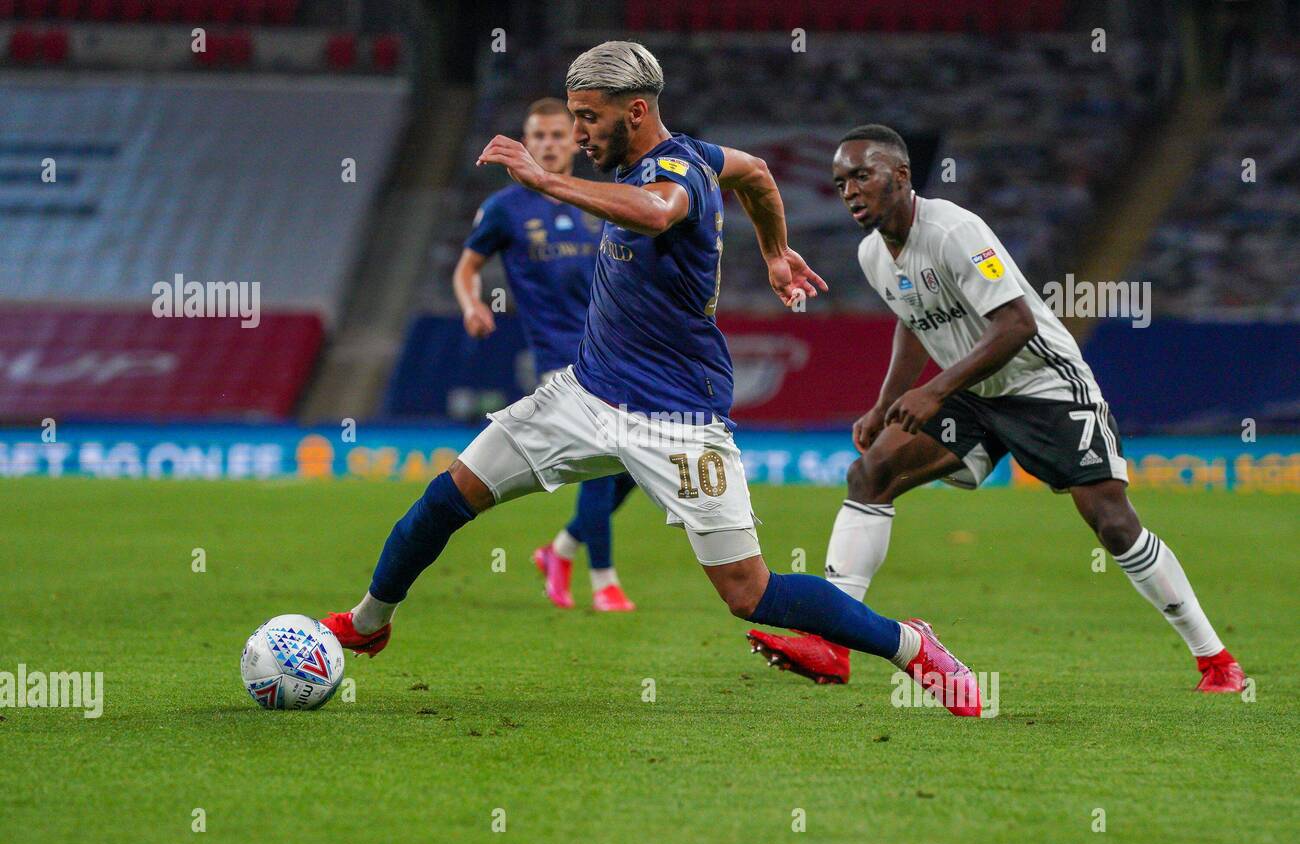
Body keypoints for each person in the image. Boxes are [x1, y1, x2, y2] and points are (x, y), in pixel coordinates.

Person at [323, 44, 984, 717]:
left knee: (749, 594)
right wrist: (776, 251)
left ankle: (912, 646)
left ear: (635, 111)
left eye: (588, 118)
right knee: (448, 495)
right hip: (585, 394)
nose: (576, 135)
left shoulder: (677, 172)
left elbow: (656, 212)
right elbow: (755, 172)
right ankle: (368, 622)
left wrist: (543, 181)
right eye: (573, 117)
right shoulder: (695, 155)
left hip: (678, 419)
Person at [746, 124, 1245, 695]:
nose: (851, 191)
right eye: (839, 183)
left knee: (1112, 522)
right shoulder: (872, 255)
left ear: (901, 176)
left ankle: (1216, 660)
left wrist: (932, 392)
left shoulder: (956, 230)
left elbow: (1016, 325)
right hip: (977, 393)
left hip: (1042, 383)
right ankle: (832, 643)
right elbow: (915, 323)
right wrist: (885, 403)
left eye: (863, 175)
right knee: (871, 472)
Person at [453, 96, 637, 612]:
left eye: (559, 135)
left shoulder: (598, 197)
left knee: (637, 464)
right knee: (605, 461)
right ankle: (603, 581)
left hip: (621, 353)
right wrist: (472, 305)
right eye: (539, 136)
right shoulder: (506, 208)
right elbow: (466, 268)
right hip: (563, 360)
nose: (550, 144)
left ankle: (560, 549)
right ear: (527, 144)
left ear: (577, 141)